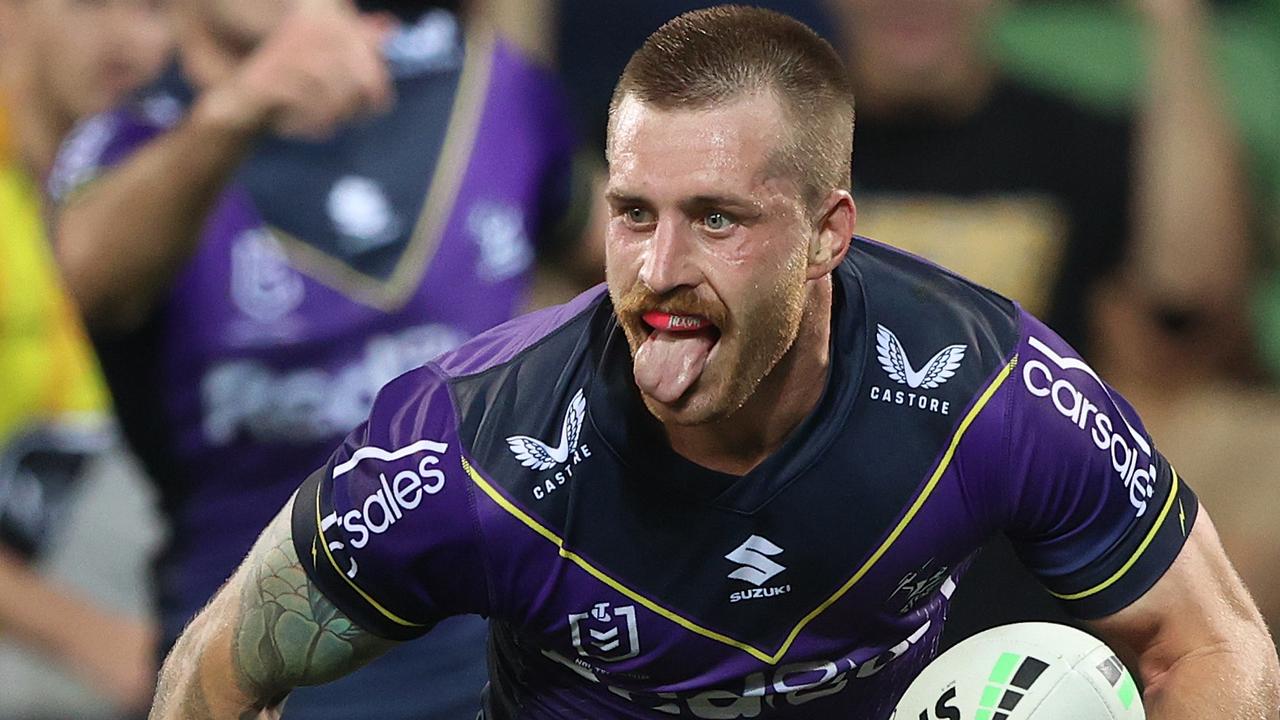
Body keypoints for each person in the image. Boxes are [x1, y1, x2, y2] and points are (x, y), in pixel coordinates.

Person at [149, 7, 1279, 719]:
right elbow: (218, 670)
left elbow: (1211, 644)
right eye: (632, 213)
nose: (658, 267)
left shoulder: (986, 390)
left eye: (717, 220)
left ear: (830, 231)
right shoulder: (469, 451)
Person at [48, 0, 592, 717]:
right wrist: (238, 108)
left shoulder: (484, 87)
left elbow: (636, 260)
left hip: (503, 656)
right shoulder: (132, 142)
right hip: (264, 665)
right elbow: (86, 280)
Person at [831, 0, 1256, 646]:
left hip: (1023, 523)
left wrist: (1174, 23)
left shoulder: (1066, 138)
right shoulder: (773, 151)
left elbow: (1191, 287)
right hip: (824, 514)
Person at [0, 0, 170, 713]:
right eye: (93, 2)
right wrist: (96, 639)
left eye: (157, 7)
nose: (129, 39)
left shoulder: (181, 191)